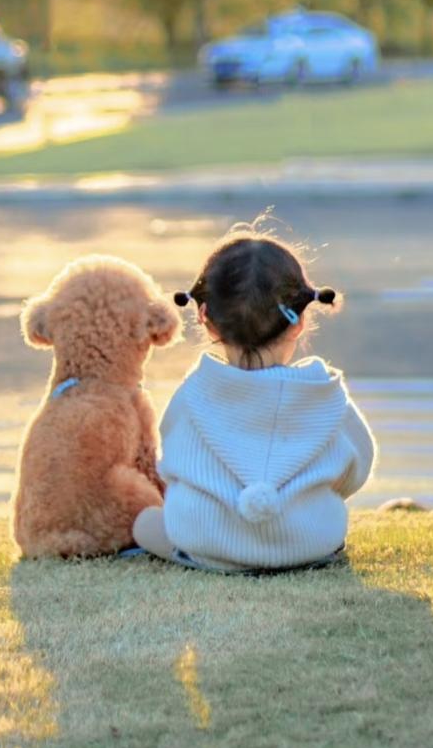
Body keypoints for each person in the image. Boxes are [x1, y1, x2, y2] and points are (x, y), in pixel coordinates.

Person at [133, 228, 375, 572]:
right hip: (310, 546)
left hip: (207, 547)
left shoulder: (192, 393)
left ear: (206, 319)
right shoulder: (326, 395)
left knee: (145, 523)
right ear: (300, 320)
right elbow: (354, 473)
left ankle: (209, 548)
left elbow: (171, 468)